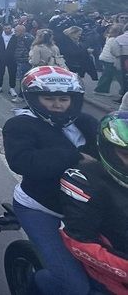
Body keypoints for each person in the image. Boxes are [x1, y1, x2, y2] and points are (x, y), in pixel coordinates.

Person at [3, 66, 100, 295]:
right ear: (34, 99)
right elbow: (23, 162)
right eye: (49, 99)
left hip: (88, 207)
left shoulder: (86, 122)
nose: (57, 105)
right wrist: (74, 157)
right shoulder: (19, 125)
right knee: (73, 286)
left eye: (63, 99)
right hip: (41, 207)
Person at [59, 111, 128, 294]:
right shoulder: (84, 181)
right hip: (111, 269)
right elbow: (78, 239)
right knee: (74, 287)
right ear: (109, 151)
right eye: (126, 154)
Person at [94, 24, 123, 95]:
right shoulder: (115, 40)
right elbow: (115, 51)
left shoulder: (110, 38)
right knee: (109, 75)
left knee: (108, 75)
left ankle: (101, 90)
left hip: (106, 58)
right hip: (110, 59)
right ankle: (100, 90)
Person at [0, 24, 18, 99]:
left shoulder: (15, 37)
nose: (7, 30)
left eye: (9, 28)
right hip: (1, 57)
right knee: (0, 72)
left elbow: (17, 46)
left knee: (12, 73)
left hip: (11, 58)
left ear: (11, 28)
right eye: (5, 28)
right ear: (3, 29)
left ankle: (12, 88)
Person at [13, 24, 35, 100]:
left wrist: (28, 58)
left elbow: (31, 50)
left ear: (21, 31)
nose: (14, 32)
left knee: (23, 79)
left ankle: (22, 96)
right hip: (20, 61)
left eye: (16, 31)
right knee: (21, 78)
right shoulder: (18, 37)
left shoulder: (28, 38)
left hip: (25, 61)